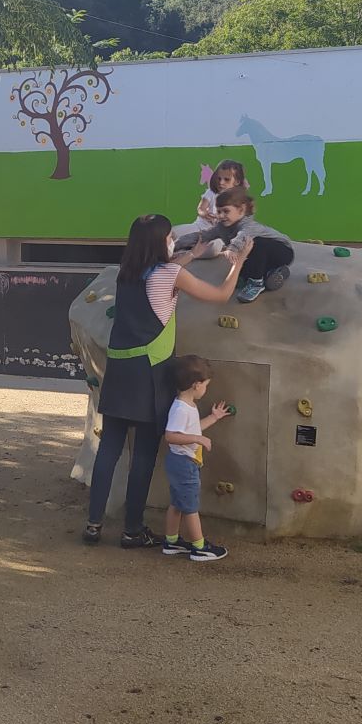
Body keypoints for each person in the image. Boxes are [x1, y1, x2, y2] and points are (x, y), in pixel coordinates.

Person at [85, 214, 249, 548]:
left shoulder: (127, 273)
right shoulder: (170, 274)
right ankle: (132, 530)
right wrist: (239, 262)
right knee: (144, 454)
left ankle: (93, 524)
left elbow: (161, 271)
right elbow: (220, 294)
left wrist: (191, 255)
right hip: (150, 372)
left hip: (119, 370)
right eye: (170, 236)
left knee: (109, 449)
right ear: (161, 242)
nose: (174, 240)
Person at [159, 354, 230, 561]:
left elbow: (193, 428)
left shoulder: (187, 405)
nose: (206, 389)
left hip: (182, 462)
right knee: (190, 507)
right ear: (196, 385)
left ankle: (171, 542)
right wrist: (198, 439)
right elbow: (171, 436)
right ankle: (199, 547)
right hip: (184, 463)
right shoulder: (181, 408)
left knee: (177, 503)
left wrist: (213, 417)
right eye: (206, 385)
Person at [176, 185, 295, 303]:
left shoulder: (248, 226)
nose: (221, 216)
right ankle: (274, 273)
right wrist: (177, 244)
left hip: (283, 251)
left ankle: (256, 283)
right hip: (262, 257)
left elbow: (242, 237)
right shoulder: (221, 227)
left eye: (226, 211)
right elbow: (204, 236)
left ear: (241, 210)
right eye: (219, 211)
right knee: (242, 271)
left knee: (255, 243)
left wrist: (232, 248)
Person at [176, 160, 248, 247]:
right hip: (200, 226)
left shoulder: (238, 200)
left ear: (237, 181)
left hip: (219, 234)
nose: (221, 182)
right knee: (173, 233)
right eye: (219, 178)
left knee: (214, 245)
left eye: (226, 179)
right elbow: (201, 208)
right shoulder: (211, 192)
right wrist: (204, 214)